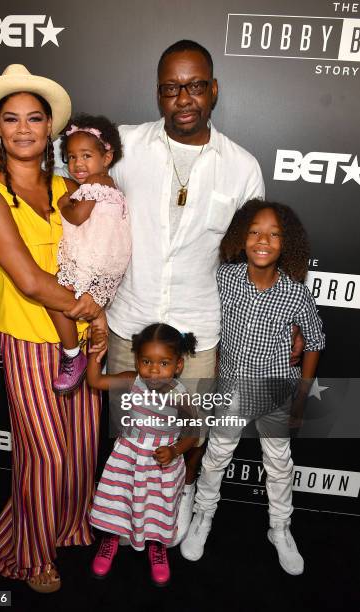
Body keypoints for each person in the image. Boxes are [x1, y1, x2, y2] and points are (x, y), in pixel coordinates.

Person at [104, 39, 268, 543]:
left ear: (213, 90)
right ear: (158, 95)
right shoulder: (123, 146)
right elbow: (69, 186)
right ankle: (129, 510)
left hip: (198, 333)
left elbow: (251, 261)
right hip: (129, 325)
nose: (184, 98)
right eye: (172, 88)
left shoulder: (242, 167)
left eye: (195, 86)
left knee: (189, 431)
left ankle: (183, 495)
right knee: (131, 436)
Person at [0, 64, 107, 592]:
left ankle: (69, 527)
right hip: (28, 342)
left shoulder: (69, 187)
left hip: (81, 340)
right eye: (11, 119)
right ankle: (29, 554)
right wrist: (90, 311)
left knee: (79, 447)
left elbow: (99, 256)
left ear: (50, 128)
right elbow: (29, 280)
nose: (23, 128)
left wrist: (101, 319)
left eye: (34, 118)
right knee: (44, 454)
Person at [180, 200, 325, 575]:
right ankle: (203, 516)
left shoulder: (295, 293)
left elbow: (314, 340)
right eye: (255, 232)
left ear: (286, 243)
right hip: (229, 390)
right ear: (241, 237)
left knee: (278, 465)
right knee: (215, 457)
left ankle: (280, 528)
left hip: (276, 392)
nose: (264, 240)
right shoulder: (224, 278)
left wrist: (301, 399)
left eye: (275, 234)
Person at [86, 323, 199, 586]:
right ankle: (111, 539)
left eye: (164, 363)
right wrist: (95, 353)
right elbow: (95, 380)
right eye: (147, 361)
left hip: (163, 462)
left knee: (158, 505)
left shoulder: (181, 396)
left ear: (178, 365)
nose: (154, 370)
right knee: (119, 498)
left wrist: (174, 450)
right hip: (129, 455)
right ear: (137, 360)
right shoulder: (132, 380)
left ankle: (157, 546)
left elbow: (194, 433)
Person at [47, 113, 131, 395]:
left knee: (54, 297)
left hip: (92, 262)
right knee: (80, 306)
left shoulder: (95, 185)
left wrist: (63, 203)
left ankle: (72, 355)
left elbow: (79, 217)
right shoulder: (109, 185)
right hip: (104, 265)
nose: (78, 164)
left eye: (86, 155)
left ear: (107, 157)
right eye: (71, 157)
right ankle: (97, 325)